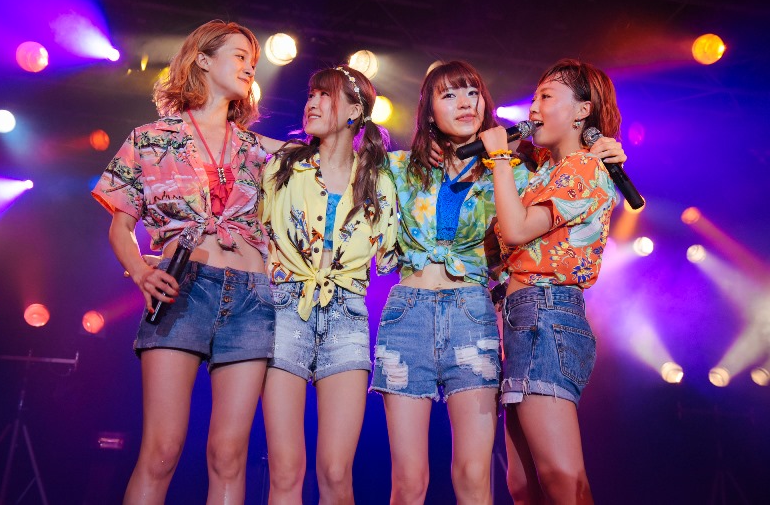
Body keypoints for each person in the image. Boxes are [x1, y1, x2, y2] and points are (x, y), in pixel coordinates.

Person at [370, 60, 625, 505]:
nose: (465, 102)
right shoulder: (404, 168)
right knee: (518, 484)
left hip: (513, 313)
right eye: (449, 94)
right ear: (428, 110)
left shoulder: (524, 168)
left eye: (473, 92)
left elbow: (526, 219)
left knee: (541, 475)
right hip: (487, 315)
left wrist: (599, 147)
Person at [92, 20, 275, 504]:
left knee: (229, 455)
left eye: (253, 61)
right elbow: (120, 227)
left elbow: (331, 158)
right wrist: (140, 271)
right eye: (239, 56)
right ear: (203, 59)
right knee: (162, 450)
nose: (249, 67)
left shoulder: (261, 150)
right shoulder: (150, 139)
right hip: (182, 290)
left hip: (252, 299)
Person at [479, 58, 623, 504]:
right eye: (534, 96)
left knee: (562, 479)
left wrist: (500, 158)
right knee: (523, 486)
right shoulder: (544, 168)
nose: (533, 107)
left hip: (547, 314)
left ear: (582, 110)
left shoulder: (584, 168)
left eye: (546, 96)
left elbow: (517, 229)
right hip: (519, 318)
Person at [261, 65, 398, 504]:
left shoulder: (379, 180)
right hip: (285, 309)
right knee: (286, 469)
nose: (312, 103)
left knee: (336, 472)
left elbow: (393, 256)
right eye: (311, 94)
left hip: (348, 315)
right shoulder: (282, 168)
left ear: (356, 111)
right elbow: (253, 234)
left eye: (326, 95)